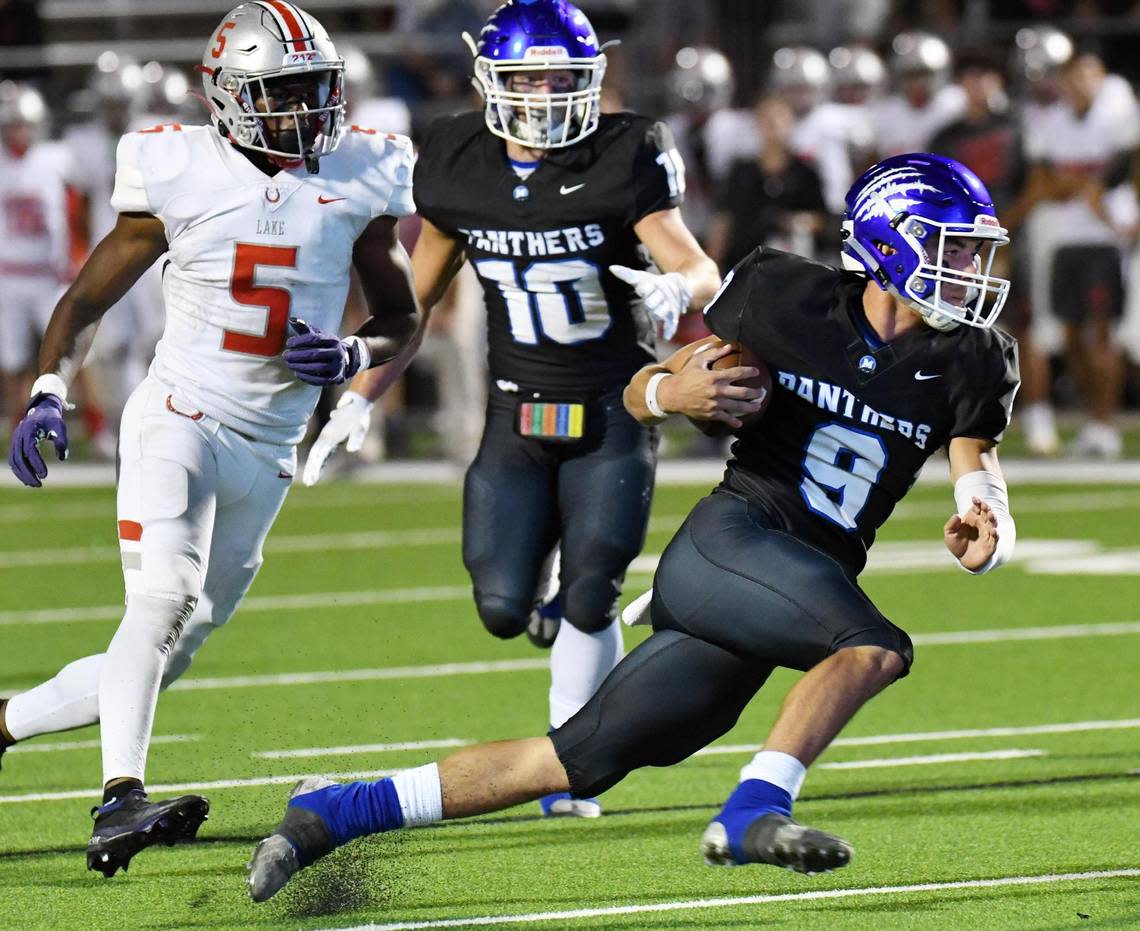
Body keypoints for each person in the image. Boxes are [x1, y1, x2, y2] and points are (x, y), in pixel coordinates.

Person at [246, 152, 1020, 902]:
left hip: (784, 587)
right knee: (874, 647)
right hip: (736, 540)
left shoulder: (974, 357)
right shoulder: (787, 297)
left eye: (980, 252)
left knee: (572, 760)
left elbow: (973, 459)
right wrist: (668, 395)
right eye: (957, 250)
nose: (975, 272)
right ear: (890, 244)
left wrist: (988, 523)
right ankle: (754, 811)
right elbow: (652, 385)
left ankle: (337, 810)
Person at [0, 1, 420, 877]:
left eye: (316, 91)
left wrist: (352, 350)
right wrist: (48, 389)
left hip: (268, 450)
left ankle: (3, 723)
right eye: (283, 93)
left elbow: (400, 317)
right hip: (179, 416)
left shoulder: (363, 170)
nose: (307, 112)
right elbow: (83, 303)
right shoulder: (178, 168)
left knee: (169, 653)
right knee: (158, 606)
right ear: (227, 97)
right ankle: (120, 799)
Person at [300, 0, 721, 820]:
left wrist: (678, 289)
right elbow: (415, 303)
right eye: (529, 76)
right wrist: (360, 395)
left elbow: (698, 265)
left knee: (596, 589)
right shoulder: (458, 159)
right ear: (491, 80)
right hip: (514, 414)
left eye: (563, 77)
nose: (546, 93)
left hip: (614, 409)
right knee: (499, 609)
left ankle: (569, 765)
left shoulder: (626, 152)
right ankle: (546, 595)